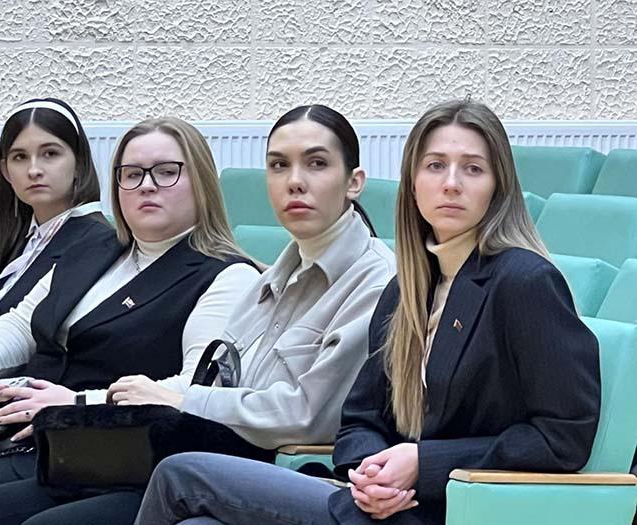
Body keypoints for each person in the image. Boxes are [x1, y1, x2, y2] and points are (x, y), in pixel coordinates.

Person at [133, 99, 601, 525]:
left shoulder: (524, 281)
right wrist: (370, 470)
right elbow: (360, 419)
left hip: (451, 509)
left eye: (473, 169)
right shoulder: (408, 287)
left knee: (180, 474)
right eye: (435, 165)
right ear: (413, 183)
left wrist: (423, 464)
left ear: (498, 186)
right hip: (376, 502)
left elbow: (563, 436)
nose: (451, 183)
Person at [0, 104, 396, 525]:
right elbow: (22, 320)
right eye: (279, 165)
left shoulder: (269, 276)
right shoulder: (281, 271)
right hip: (86, 440)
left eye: (166, 172)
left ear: (353, 181)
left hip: (147, 448)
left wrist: (89, 402)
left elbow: (296, 412)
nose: (295, 181)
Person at [0, 117, 261, 523]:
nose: (146, 185)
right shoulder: (94, 247)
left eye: (166, 172)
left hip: (114, 451)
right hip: (32, 433)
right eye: (132, 174)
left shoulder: (225, 275)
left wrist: (79, 403)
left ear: (201, 182)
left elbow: (196, 389)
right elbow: (21, 322)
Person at [0, 98, 113, 401]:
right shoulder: (25, 240)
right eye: (20, 157)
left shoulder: (96, 243)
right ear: (6, 171)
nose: (34, 170)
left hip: (27, 403)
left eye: (50, 154)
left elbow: (45, 349)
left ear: (79, 163)